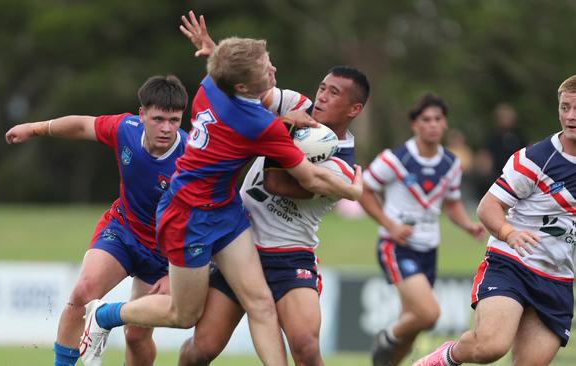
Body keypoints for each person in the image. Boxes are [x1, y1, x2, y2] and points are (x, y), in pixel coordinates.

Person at [79, 14, 364, 366]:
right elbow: (294, 179)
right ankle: (105, 316)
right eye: (264, 66)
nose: (273, 69)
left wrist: (214, 50)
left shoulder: (211, 86)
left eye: (332, 92)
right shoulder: (262, 124)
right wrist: (355, 190)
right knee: (184, 319)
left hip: (233, 214)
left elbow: (229, 75)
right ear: (244, 85)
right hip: (190, 213)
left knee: (268, 312)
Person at [175, 15, 370, 366]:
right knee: (200, 349)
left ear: (354, 109)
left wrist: (274, 131)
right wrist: (215, 52)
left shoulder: (342, 164)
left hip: (289, 255)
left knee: (306, 347)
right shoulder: (297, 105)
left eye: (334, 93)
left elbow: (277, 183)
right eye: (323, 87)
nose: (322, 97)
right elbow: (247, 87)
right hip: (239, 242)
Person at [5, 75, 189, 366]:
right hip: (123, 229)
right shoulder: (124, 129)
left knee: (136, 336)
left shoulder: (191, 159)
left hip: (164, 253)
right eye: (158, 119)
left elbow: (203, 221)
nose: (166, 128)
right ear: (142, 115)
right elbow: (82, 125)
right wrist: (34, 128)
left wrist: (177, 273)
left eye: (174, 120)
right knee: (80, 295)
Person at [412, 76, 576, 366]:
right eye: (565, 107)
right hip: (512, 263)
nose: (571, 116)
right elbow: (488, 207)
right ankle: (443, 359)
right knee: (490, 346)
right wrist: (508, 233)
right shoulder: (536, 159)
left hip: (558, 279)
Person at [359, 93, 486, 366]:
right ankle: (386, 335)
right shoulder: (395, 159)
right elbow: (364, 190)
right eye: (425, 119)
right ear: (415, 125)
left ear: (445, 124)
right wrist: (390, 225)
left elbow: (451, 204)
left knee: (413, 326)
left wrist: (468, 226)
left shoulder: (451, 163)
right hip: (397, 246)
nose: (432, 124)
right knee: (428, 314)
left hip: (429, 248)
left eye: (438, 119)